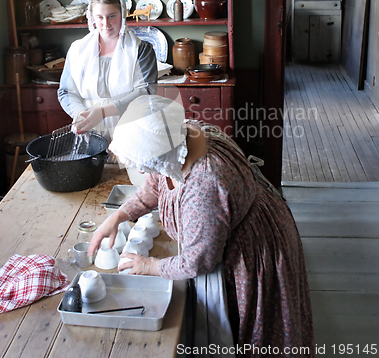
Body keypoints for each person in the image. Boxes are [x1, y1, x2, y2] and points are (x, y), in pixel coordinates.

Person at [88, 95, 314, 356]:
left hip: (254, 250)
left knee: (256, 333)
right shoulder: (180, 136)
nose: (141, 168)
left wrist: (150, 266)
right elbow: (156, 181)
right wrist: (118, 216)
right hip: (246, 220)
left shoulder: (203, 185)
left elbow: (198, 261)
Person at [58, 0, 158, 141]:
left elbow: (146, 91)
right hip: (88, 129)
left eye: (112, 16)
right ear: (91, 17)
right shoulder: (77, 49)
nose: (106, 24)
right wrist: (80, 114)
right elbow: (66, 91)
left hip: (130, 127)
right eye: (99, 17)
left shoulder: (141, 49)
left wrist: (103, 112)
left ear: (123, 14)